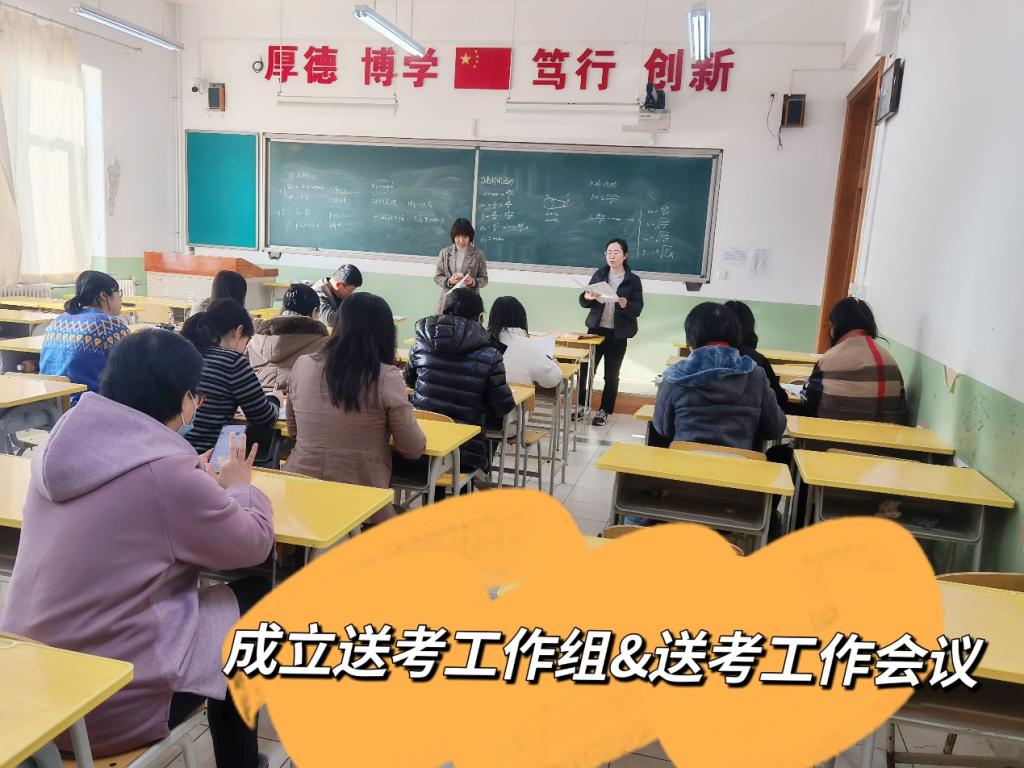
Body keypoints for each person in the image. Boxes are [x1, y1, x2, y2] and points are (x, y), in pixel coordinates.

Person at [0, 329, 274, 766]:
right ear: (184, 399)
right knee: (257, 603)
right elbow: (253, 544)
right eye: (196, 396)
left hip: (30, 688)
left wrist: (191, 478)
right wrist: (240, 487)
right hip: (104, 703)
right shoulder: (167, 477)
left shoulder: (58, 446)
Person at [286, 293, 425, 524]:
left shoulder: (303, 365)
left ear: (339, 326)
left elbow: (293, 430)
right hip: (361, 505)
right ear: (386, 334)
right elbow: (413, 448)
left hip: (300, 496)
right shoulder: (386, 377)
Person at [404, 288, 515, 479]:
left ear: (443, 311)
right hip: (465, 454)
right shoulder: (491, 354)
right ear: (480, 317)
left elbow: (409, 381)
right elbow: (502, 406)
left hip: (422, 446)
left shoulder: (420, 344)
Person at [653, 302, 787, 450]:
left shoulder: (675, 376)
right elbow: (775, 429)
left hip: (687, 462)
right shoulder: (756, 375)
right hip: (738, 463)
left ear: (691, 338)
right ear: (736, 335)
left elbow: (662, 429)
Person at [180, 299, 278, 454]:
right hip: (209, 458)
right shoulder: (233, 362)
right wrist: (274, 399)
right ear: (239, 331)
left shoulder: (181, 353)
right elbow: (264, 419)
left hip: (170, 454)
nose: (245, 348)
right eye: (247, 340)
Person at [799, 297, 906, 422]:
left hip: (830, 432)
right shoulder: (889, 360)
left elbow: (808, 400)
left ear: (835, 326)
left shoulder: (829, 359)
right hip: (882, 433)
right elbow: (900, 405)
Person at [577, 238, 644, 426]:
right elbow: (584, 301)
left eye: (616, 252)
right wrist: (587, 297)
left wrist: (625, 305)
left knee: (611, 375)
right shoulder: (599, 274)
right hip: (595, 331)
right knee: (586, 371)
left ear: (625, 255)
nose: (612, 256)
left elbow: (638, 308)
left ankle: (604, 411)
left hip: (618, 334)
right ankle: (582, 406)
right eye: (609, 252)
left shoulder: (633, 280)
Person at [40, 269, 129, 397]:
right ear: (103, 295)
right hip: (88, 403)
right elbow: (134, 364)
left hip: (52, 401)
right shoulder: (109, 325)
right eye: (118, 293)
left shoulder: (58, 321)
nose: (121, 299)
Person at [248, 282, 328, 400]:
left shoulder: (254, 339)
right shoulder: (323, 344)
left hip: (256, 403)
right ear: (315, 311)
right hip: (299, 405)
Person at [723, 300, 788, 409]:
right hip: (750, 419)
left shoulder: (706, 358)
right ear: (750, 326)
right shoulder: (757, 360)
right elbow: (780, 400)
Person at [487, 296, 562, 388]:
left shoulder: (481, 341)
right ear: (522, 318)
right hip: (515, 397)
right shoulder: (530, 347)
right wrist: (552, 364)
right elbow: (552, 380)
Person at [434, 218, 488, 313]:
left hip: (470, 301)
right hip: (449, 301)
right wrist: (449, 281)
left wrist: (473, 281)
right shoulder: (445, 253)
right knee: (447, 322)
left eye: (465, 237)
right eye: (458, 237)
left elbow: (484, 279)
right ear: (453, 236)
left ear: (470, 237)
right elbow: (437, 277)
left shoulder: (478, 254)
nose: (461, 240)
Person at [311, 264, 363, 329]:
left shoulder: (337, 290)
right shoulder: (318, 293)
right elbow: (330, 321)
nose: (351, 293)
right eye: (351, 289)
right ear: (338, 285)